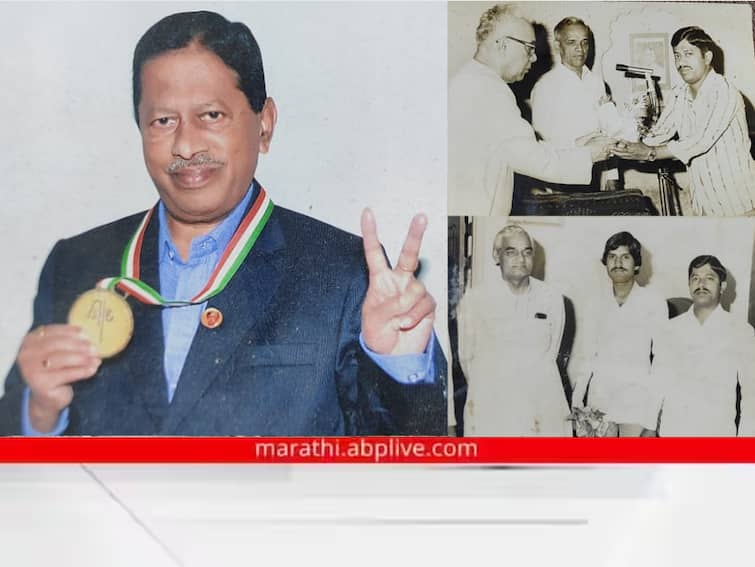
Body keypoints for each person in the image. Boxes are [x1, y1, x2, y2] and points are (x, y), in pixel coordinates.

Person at [0, 11, 446, 436]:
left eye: (211, 115)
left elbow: (410, 462)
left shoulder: (345, 273)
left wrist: (399, 367)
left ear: (264, 124)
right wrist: (38, 415)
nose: (187, 145)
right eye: (162, 120)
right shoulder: (76, 265)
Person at [448, 4, 613, 216]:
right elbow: (534, 160)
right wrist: (589, 155)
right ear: (503, 45)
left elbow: (517, 145)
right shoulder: (489, 91)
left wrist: (577, 146)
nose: (534, 58)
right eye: (529, 48)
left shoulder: (474, 80)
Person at [611, 26, 755, 216]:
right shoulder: (679, 94)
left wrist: (650, 153)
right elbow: (659, 134)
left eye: (688, 54)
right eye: (677, 55)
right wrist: (620, 143)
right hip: (704, 204)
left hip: (739, 204)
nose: (681, 62)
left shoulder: (724, 91)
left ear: (707, 57)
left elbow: (700, 141)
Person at [457, 225, 571, 436]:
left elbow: (551, 352)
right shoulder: (475, 300)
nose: (521, 259)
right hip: (493, 406)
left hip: (541, 406)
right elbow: (467, 358)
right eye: (511, 252)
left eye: (527, 252)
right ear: (496, 255)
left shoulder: (552, 299)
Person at [571, 232, 668, 436]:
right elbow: (586, 356)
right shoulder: (594, 303)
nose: (618, 262)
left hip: (637, 404)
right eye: (612, 257)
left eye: (625, 257)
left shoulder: (653, 301)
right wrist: (577, 402)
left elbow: (662, 362)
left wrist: (651, 422)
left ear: (637, 264)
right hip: (599, 404)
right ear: (605, 263)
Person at [654, 256, 755, 436]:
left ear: (722, 286)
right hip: (673, 436)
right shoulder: (669, 329)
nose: (701, 283)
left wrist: (744, 449)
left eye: (709, 278)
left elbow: (751, 396)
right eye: (695, 278)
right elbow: (657, 385)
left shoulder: (741, 331)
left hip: (717, 439)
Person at [530, 17, 626, 191]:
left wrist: (612, 176)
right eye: (571, 42)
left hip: (597, 177)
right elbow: (542, 145)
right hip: (563, 179)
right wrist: (580, 145)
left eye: (584, 42)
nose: (580, 49)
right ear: (559, 46)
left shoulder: (597, 82)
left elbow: (609, 131)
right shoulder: (546, 86)